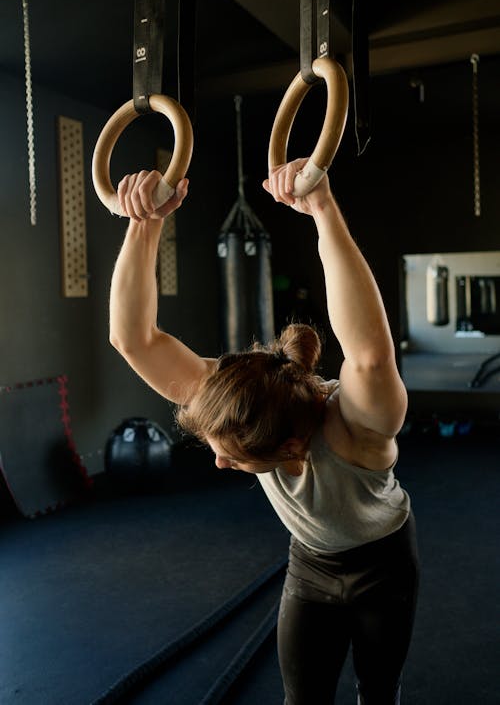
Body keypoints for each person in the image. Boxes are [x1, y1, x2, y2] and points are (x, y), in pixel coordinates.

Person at [109, 158, 419, 705]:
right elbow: (134, 339)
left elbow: (370, 356)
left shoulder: (358, 430)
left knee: (378, 693)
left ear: (293, 446)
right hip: (311, 565)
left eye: (233, 458)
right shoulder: (236, 396)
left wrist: (323, 207)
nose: (220, 463)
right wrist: (145, 221)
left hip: (383, 566)